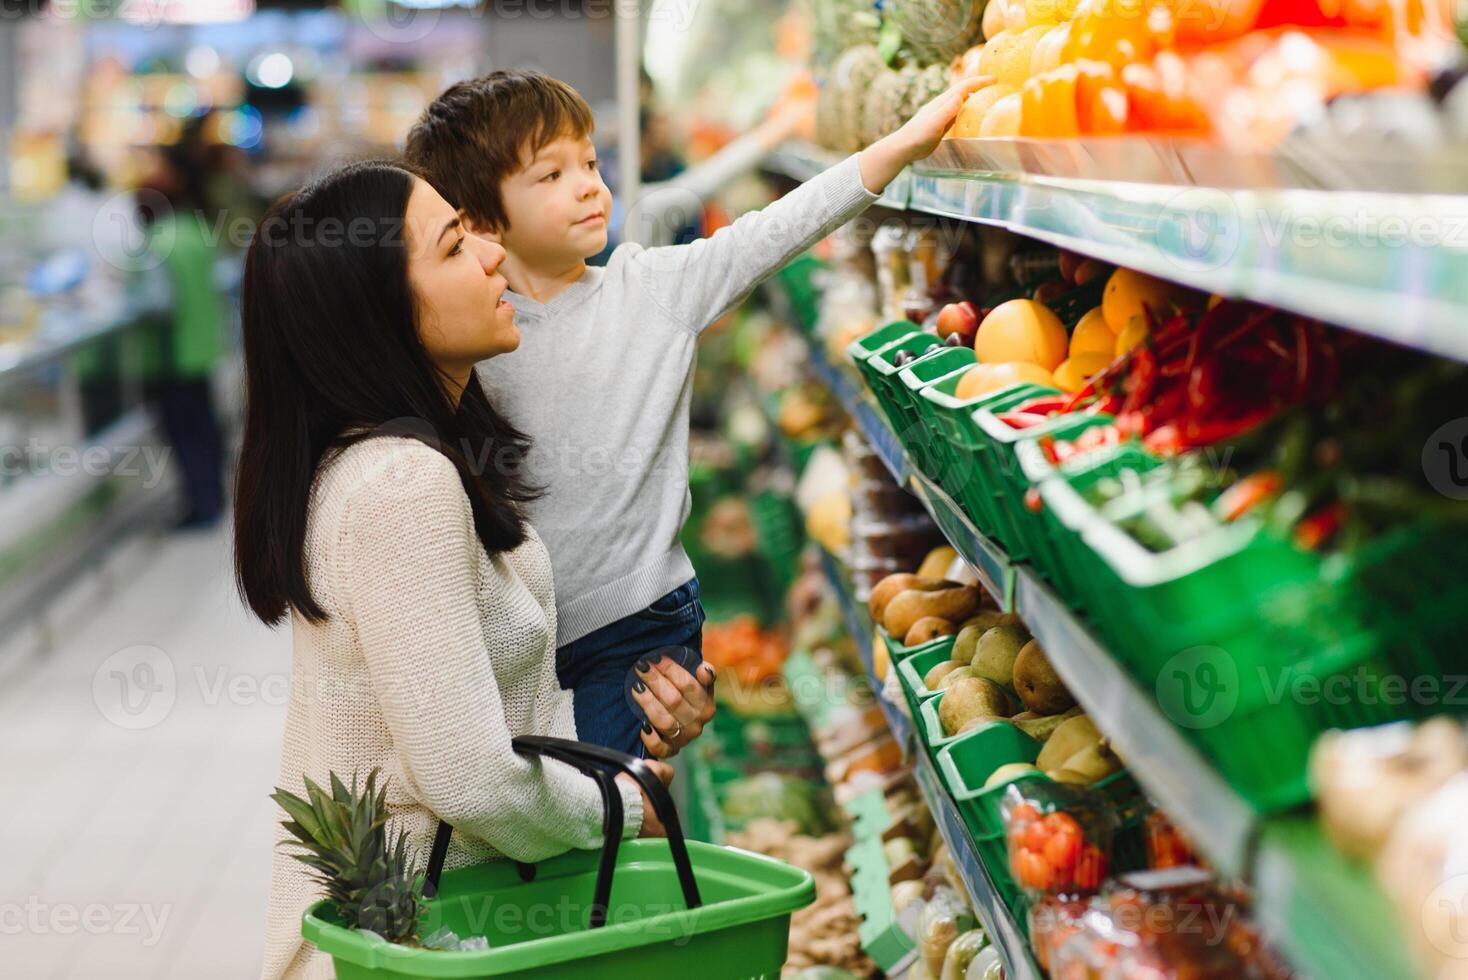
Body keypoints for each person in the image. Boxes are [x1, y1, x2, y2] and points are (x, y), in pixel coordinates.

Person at [402, 69, 984, 755]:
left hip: (639, 629)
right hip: (526, 630)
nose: (590, 184)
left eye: (591, 162)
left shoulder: (652, 288)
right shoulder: (476, 332)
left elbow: (774, 231)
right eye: (551, 175)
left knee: (607, 813)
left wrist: (903, 145)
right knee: (550, 812)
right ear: (477, 219)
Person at [235, 161, 711, 980]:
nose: (492, 255)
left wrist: (629, 724)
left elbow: (474, 715)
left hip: (435, 935)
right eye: (454, 247)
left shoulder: (392, 459)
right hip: (412, 947)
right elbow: (467, 776)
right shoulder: (400, 485)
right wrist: (622, 805)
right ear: (380, 314)